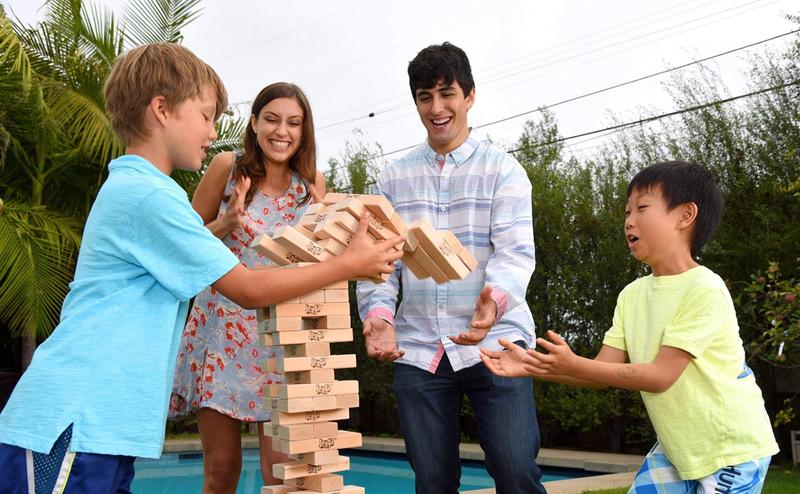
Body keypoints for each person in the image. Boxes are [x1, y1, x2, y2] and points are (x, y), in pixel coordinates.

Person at [0, 43, 403, 493]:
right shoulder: (151, 196)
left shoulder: (147, 189)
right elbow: (246, 287)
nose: (213, 132)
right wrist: (349, 264)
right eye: (207, 115)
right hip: (75, 422)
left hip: (99, 425)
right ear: (161, 109)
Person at [481, 161, 780, 493]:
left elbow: (659, 377)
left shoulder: (703, 288)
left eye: (641, 208)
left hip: (731, 449)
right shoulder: (632, 295)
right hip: (678, 447)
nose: (628, 221)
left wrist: (575, 364)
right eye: (627, 212)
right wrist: (534, 365)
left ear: (685, 215)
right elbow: (602, 370)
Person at [356, 42, 546, 494]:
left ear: (470, 96)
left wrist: (493, 300)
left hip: (498, 344)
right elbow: (379, 266)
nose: (437, 108)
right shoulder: (392, 179)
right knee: (433, 482)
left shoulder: (505, 172)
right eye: (425, 96)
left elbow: (516, 254)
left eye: (447, 94)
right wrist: (379, 317)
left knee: (517, 472)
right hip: (419, 350)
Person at [169, 82, 324, 492]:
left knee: (282, 474)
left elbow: (320, 262)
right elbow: (182, 243)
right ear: (254, 123)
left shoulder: (312, 187)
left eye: (294, 123)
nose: (282, 131)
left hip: (281, 338)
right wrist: (226, 224)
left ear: (304, 131)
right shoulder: (226, 167)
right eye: (271, 119)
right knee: (222, 470)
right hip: (221, 333)